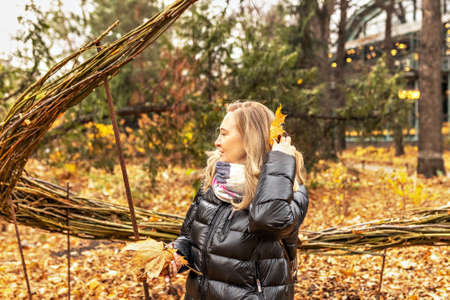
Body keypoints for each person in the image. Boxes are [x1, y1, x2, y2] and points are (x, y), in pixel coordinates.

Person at [165, 100, 308, 300]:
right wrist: (176, 254)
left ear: (250, 139)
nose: (217, 141)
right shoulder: (214, 183)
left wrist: (280, 162)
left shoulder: (290, 190)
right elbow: (190, 238)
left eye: (224, 134)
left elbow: (268, 220)